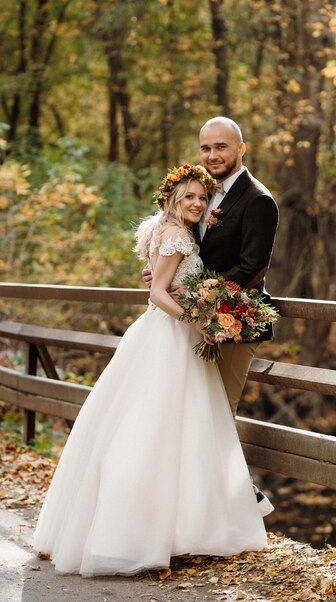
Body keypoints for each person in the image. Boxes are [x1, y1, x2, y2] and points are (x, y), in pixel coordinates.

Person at [33, 164, 267, 577]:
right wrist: (198, 321)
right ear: (173, 200)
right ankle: (140, 533)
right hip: (170, 337)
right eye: (189, 197)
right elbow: (158, 292)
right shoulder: (177, 234)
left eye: (201, 197)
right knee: (157, 429)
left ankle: (177, 527)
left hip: (171, 336)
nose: (197, 203)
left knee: (176, 429)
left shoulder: (174, 230)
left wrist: (193, 300)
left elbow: (167, 281)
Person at [143, 117, 279, 516]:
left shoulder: (258, 200)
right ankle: (195, 510)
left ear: (241, 149)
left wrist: (199, 294)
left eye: (221, 147)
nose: (212, 154)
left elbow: (252, 266)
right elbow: (185, 246)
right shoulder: (200, 193)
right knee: (192, 413)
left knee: (217, 414)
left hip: (233, 323)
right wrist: (162, 271)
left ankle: (244, 503)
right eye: (206, 148)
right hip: (194, 324)